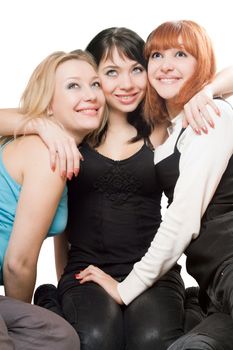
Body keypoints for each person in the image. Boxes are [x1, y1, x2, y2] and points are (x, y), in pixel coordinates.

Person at [0, 29, 233, 350]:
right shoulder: (75, 132)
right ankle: (51, 301)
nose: (125, 84)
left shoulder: (165, 123)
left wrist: (206, 92)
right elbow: (65, 216)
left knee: (152, 340)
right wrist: (38, 122)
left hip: (153, 266)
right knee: (93, 339)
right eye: (110, 73)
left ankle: (194, 306)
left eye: (136, 69)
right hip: (86, 269)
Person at [77, 21, 233, 349]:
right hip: (213, 285)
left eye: (180, 54)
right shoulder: (171, 131)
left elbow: (182, 218)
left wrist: (126, 289)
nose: (165, 65)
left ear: (202, 61)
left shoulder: (211, 114)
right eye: (157, 55)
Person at [0, 49, 106, 349]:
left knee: (61, 338)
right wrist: (18, 322)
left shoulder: (69, 157)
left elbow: (65, 242)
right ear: (49, 105)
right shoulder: (46, 154)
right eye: (73, 86)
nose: (91, 95)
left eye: (95, 84)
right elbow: (18, 264)